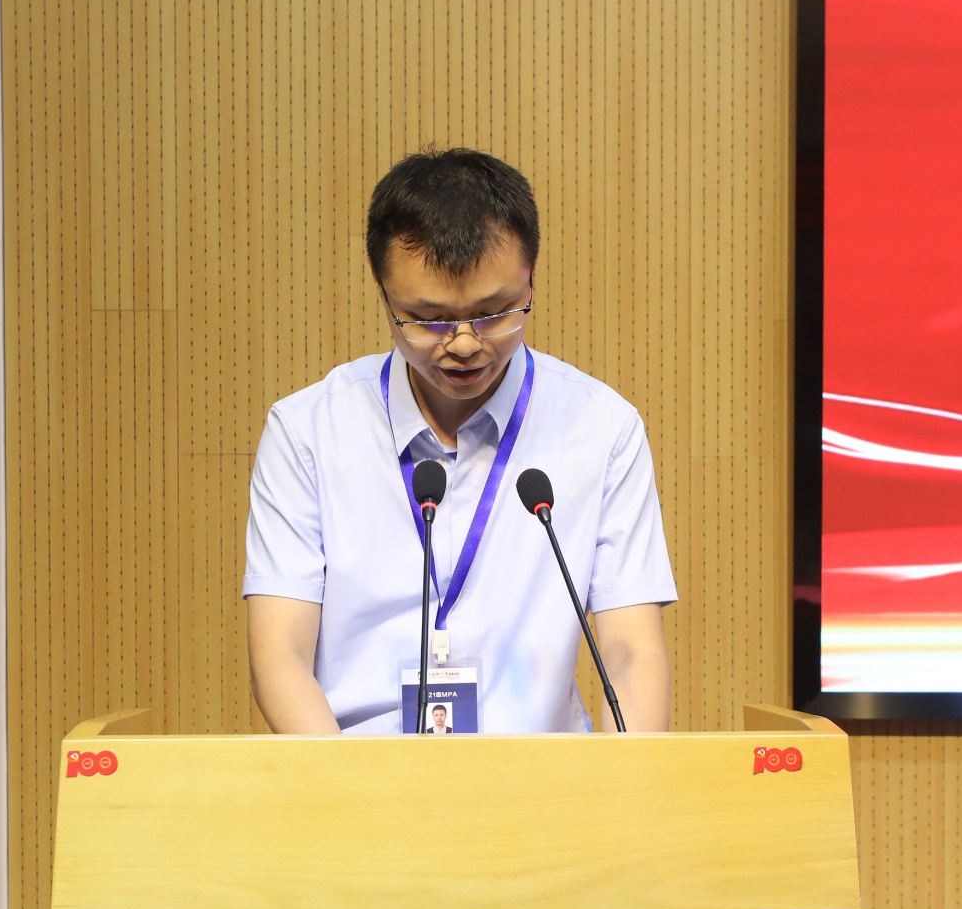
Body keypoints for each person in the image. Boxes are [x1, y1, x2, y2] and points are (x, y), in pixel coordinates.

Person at [243, 147, 676, 735]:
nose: (465, 344)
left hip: (540, 777)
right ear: (382, 289)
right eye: (429, 319)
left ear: (531, 276)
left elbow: (631, 651)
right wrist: (345, 787)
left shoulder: (602, 428)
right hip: (358, 770)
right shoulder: (308, 432)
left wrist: (627, 783)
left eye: (495, 312)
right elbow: (281, 655)